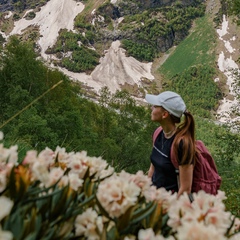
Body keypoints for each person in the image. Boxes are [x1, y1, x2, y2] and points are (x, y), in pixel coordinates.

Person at [145, 91, 197, 198]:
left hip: (168, 205)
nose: (151, 108)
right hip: (153, 199)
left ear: (165, 114)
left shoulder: (182, 144)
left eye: (155, 106)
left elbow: (185, 189)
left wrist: (172, 211)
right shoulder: (158, 133)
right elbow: (153, 168)